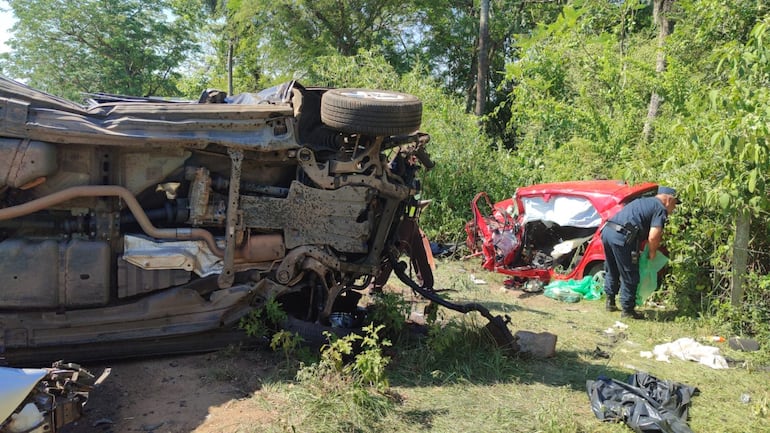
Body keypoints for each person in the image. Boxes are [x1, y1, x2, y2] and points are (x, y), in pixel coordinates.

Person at [601, 186, 680, 319]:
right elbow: (654, 236)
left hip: (607, 231)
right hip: (622, 237)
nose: (675, 207)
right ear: (668, 199)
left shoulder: (642, 201)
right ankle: (627, 310)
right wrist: (652, 253)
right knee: (629, 272)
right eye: (675, 203)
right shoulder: (660, 208)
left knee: (612, 268)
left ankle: (610, 301)